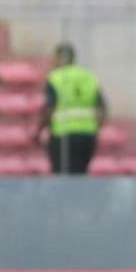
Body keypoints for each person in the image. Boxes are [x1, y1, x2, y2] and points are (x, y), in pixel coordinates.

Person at [34, 42, 107, 174]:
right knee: (80, 174)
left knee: (63, 176)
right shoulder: (88, 76)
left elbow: (50, 108)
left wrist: (39, 130)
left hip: (63, 134)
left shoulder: (55, 77)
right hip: (87, 134)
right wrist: (95, 129)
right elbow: (101, 108)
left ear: (59, 57)